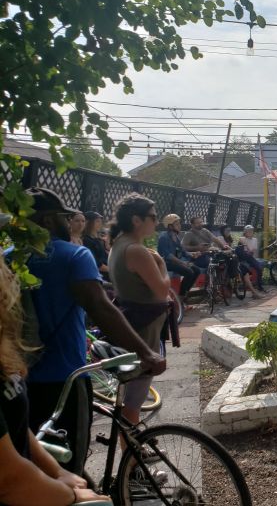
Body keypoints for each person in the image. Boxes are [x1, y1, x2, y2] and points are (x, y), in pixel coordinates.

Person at [22, 187, 166, 475]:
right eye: (65, 217)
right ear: (49, 220)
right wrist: (146, 352)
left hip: (24, 378)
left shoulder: (11, 257)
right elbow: (102, 308)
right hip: (67, 376)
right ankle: (130, 472)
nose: (70, 223)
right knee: (73, 459)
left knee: (39, 461)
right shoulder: (73, 255)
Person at [0, 254, 111, 504]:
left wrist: (57, 472)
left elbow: (12, 427)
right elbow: (9, 480)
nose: (7, 274)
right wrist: (71, 495)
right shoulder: (75, 256)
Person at [108, 194, 172, 429]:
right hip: (143, 331)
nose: (156, 222)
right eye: (153, 217)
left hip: (132, 324)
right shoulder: (136, 250)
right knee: (134, 401)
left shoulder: (118, 244)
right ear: (137, 220)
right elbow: (162, 289)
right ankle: (131, 459)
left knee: (130, 398)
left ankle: (133, 450)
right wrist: (162, 265)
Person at [157, 214, 201, 305]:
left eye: (179, 223)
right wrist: (182, 262)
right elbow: (168, 255)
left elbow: (183, 252)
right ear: (170, 226)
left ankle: (184, 294)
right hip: (166, 263)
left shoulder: (176, 237)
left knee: (196, 270)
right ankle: (180, 299)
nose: (179, 226)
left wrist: (193, 254)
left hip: (176, 262)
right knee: (189, 272)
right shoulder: (163, 237)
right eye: (177, 224)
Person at [218, 225, 264, 298]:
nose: (228, 232)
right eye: (227, 231)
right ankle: (252, 291)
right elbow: (222, 249)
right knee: (243, 269)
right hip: (225, 261)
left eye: (229, 231)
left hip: (232, 260)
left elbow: (232, 250)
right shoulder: (220, 238)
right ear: (222, 231)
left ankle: (253, 291)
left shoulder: (229, 239)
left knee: (244, 271)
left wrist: (231, 250)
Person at [237, 225, 266, 292]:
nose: (250, 232)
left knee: (259, 268)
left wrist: (249, 251)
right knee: (244, 270)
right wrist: (248, 249)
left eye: (251, 231)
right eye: (248, 231)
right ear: (245, 232)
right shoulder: (242, 238)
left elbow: (252, 251)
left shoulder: (255, 240)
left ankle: (259, 286)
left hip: (250, 257)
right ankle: (242, 286)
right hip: (242, 258)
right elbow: (243, 245)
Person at [81, 211, 108, 277]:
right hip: (99, 274)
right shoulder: (86, 240)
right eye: (97, 221)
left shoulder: (98, 240)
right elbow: (96, 264)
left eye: (100, 221)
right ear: (88, 223)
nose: (100, 223)